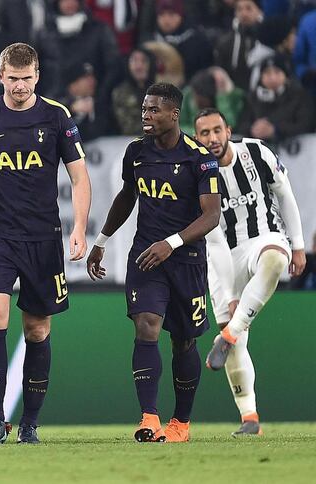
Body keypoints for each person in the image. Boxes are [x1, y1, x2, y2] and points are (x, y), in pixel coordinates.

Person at [0, 42, 92, 444]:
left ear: (37, 76)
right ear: (1, 76)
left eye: (26, 78)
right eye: (12, 79)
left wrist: (79, 227)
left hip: (44, 237)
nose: (19, 86)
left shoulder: (56, 116)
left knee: (36, 329)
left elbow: (80, 178)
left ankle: (30, 422)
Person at [86, 82, 221, 443]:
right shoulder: (136, 153)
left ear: (174, 114)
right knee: (146, 325)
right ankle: (149, 418)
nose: (145, 116)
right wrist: (100, 241)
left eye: (153, 110)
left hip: (187, 260)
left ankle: (181, 423)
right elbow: (127, 196)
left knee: (184, 342)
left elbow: (212, 216)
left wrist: (172, 243)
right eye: (144, 109)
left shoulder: (200, 158)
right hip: (146, 257)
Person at [194, 108, 306, 435]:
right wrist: (229, 295)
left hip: (263, 237)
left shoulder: (257, 151)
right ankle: (250, 418)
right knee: (236, 342)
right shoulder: (198, 174)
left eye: (217, 130)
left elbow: (285, 194)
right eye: (204, 133)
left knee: (275, 260)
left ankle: (229, 334)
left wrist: (297, 244)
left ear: (228, 130)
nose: (213, 138)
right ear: (196, 137)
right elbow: (213, 239)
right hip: (222, 255)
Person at [237, 54, 314, 142]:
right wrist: (253, 129)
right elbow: (242, 124)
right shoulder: (253, 97)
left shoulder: (300, 96)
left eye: (277, 72)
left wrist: (275, 130)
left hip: (293, 150)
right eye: (267, 73)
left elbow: (306, 125)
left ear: (285, 76)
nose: (273, 78)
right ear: (261, 77)